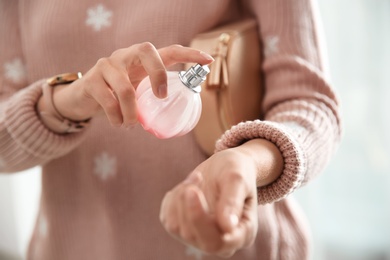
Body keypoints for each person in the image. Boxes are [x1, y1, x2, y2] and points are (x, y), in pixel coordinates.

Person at [0, 0, 341, 259]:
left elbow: (311, 107)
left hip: (237, 243)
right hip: (71, 247)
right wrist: (65, 101)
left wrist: (248, 162)